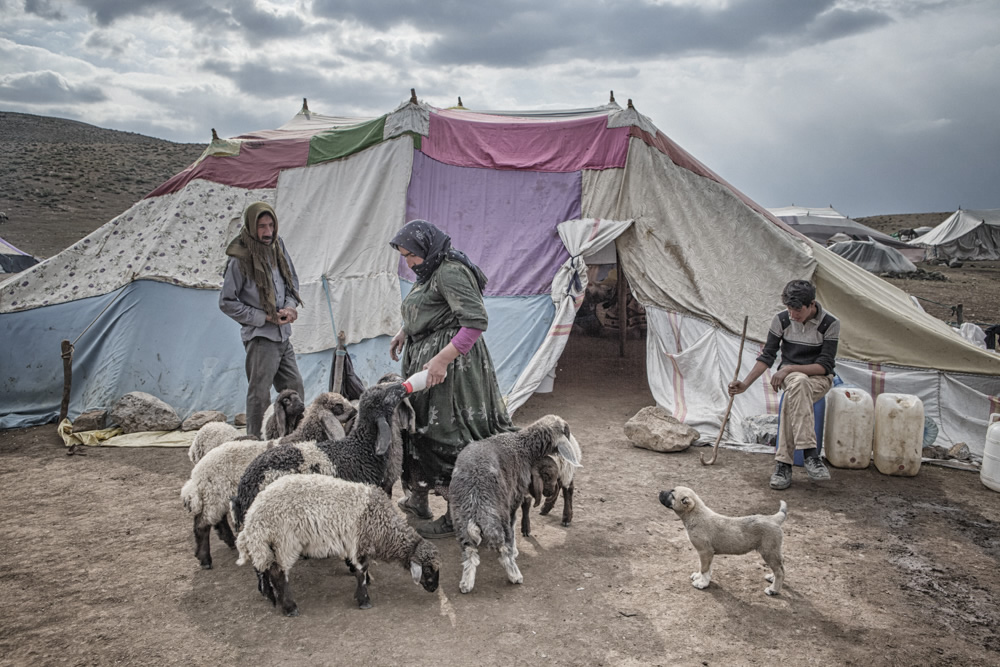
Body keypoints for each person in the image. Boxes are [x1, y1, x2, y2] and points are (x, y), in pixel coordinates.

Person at [389, 219, 515, 538]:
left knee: (448, 436)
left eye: (411, 255)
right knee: (417, 430)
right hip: (427, 363)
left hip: (452, 371)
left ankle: (458, 514)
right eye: (405, 256)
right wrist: (406, 330)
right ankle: (418, 499)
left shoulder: (450, 271)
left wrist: (443, 359)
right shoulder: (430, 268)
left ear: (425, 248)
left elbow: (474, 323)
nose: (409, 263)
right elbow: (429, 306)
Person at [728, 279, 839, 490]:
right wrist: (745, 384)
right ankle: (810, 456)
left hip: (819, 379)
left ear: (812, 305)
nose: (792, 314)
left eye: (797, 310)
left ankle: (783, 464)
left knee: (794, 391)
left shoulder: (830, 324)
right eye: (789, 308)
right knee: (797, 383)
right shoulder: (781, 320)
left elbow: (825, 365)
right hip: (794, 379)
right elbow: (767, 356)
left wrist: (788, 369)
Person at [220, 202, 305, 439]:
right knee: (259, 395)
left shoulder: (278, 246)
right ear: (250, 227)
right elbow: (226, 301)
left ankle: (294, 439)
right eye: (261, 226)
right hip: (260, 338)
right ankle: (254, 444)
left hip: (282, 335)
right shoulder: (240, 258)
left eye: (270, 225)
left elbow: (292, 283)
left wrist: (289, 307)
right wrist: (262, 317)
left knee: (294, 389)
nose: (267, 232)